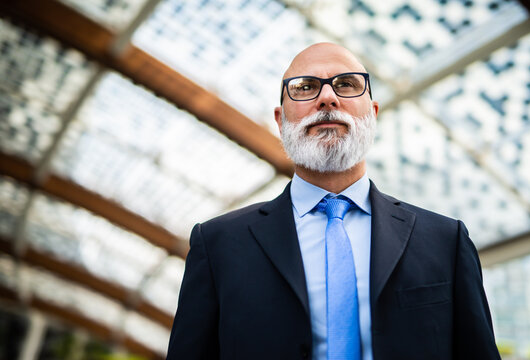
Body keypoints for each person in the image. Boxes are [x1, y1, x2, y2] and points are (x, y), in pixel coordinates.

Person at [166, 43, 501, 360]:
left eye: (346, 84)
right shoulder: (218, 244)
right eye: (305, 87)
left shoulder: (445, 240)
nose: (327, 97)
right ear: (281, 120)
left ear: (373, 113)